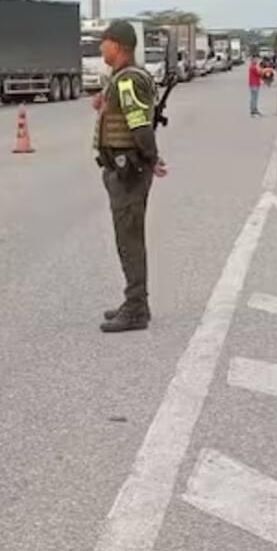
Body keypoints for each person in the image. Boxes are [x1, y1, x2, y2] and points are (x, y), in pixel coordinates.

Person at [93, 20, 167, 333]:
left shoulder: (127, 81)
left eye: (104, 42)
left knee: (130, 240)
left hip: (129, 172)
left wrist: (152, 159)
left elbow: (139, 126)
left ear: (118, 45)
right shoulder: (121, 80)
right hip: (122, 169)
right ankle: (134, 301)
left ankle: (137, 307)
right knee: (127, 238)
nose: (100, 48)